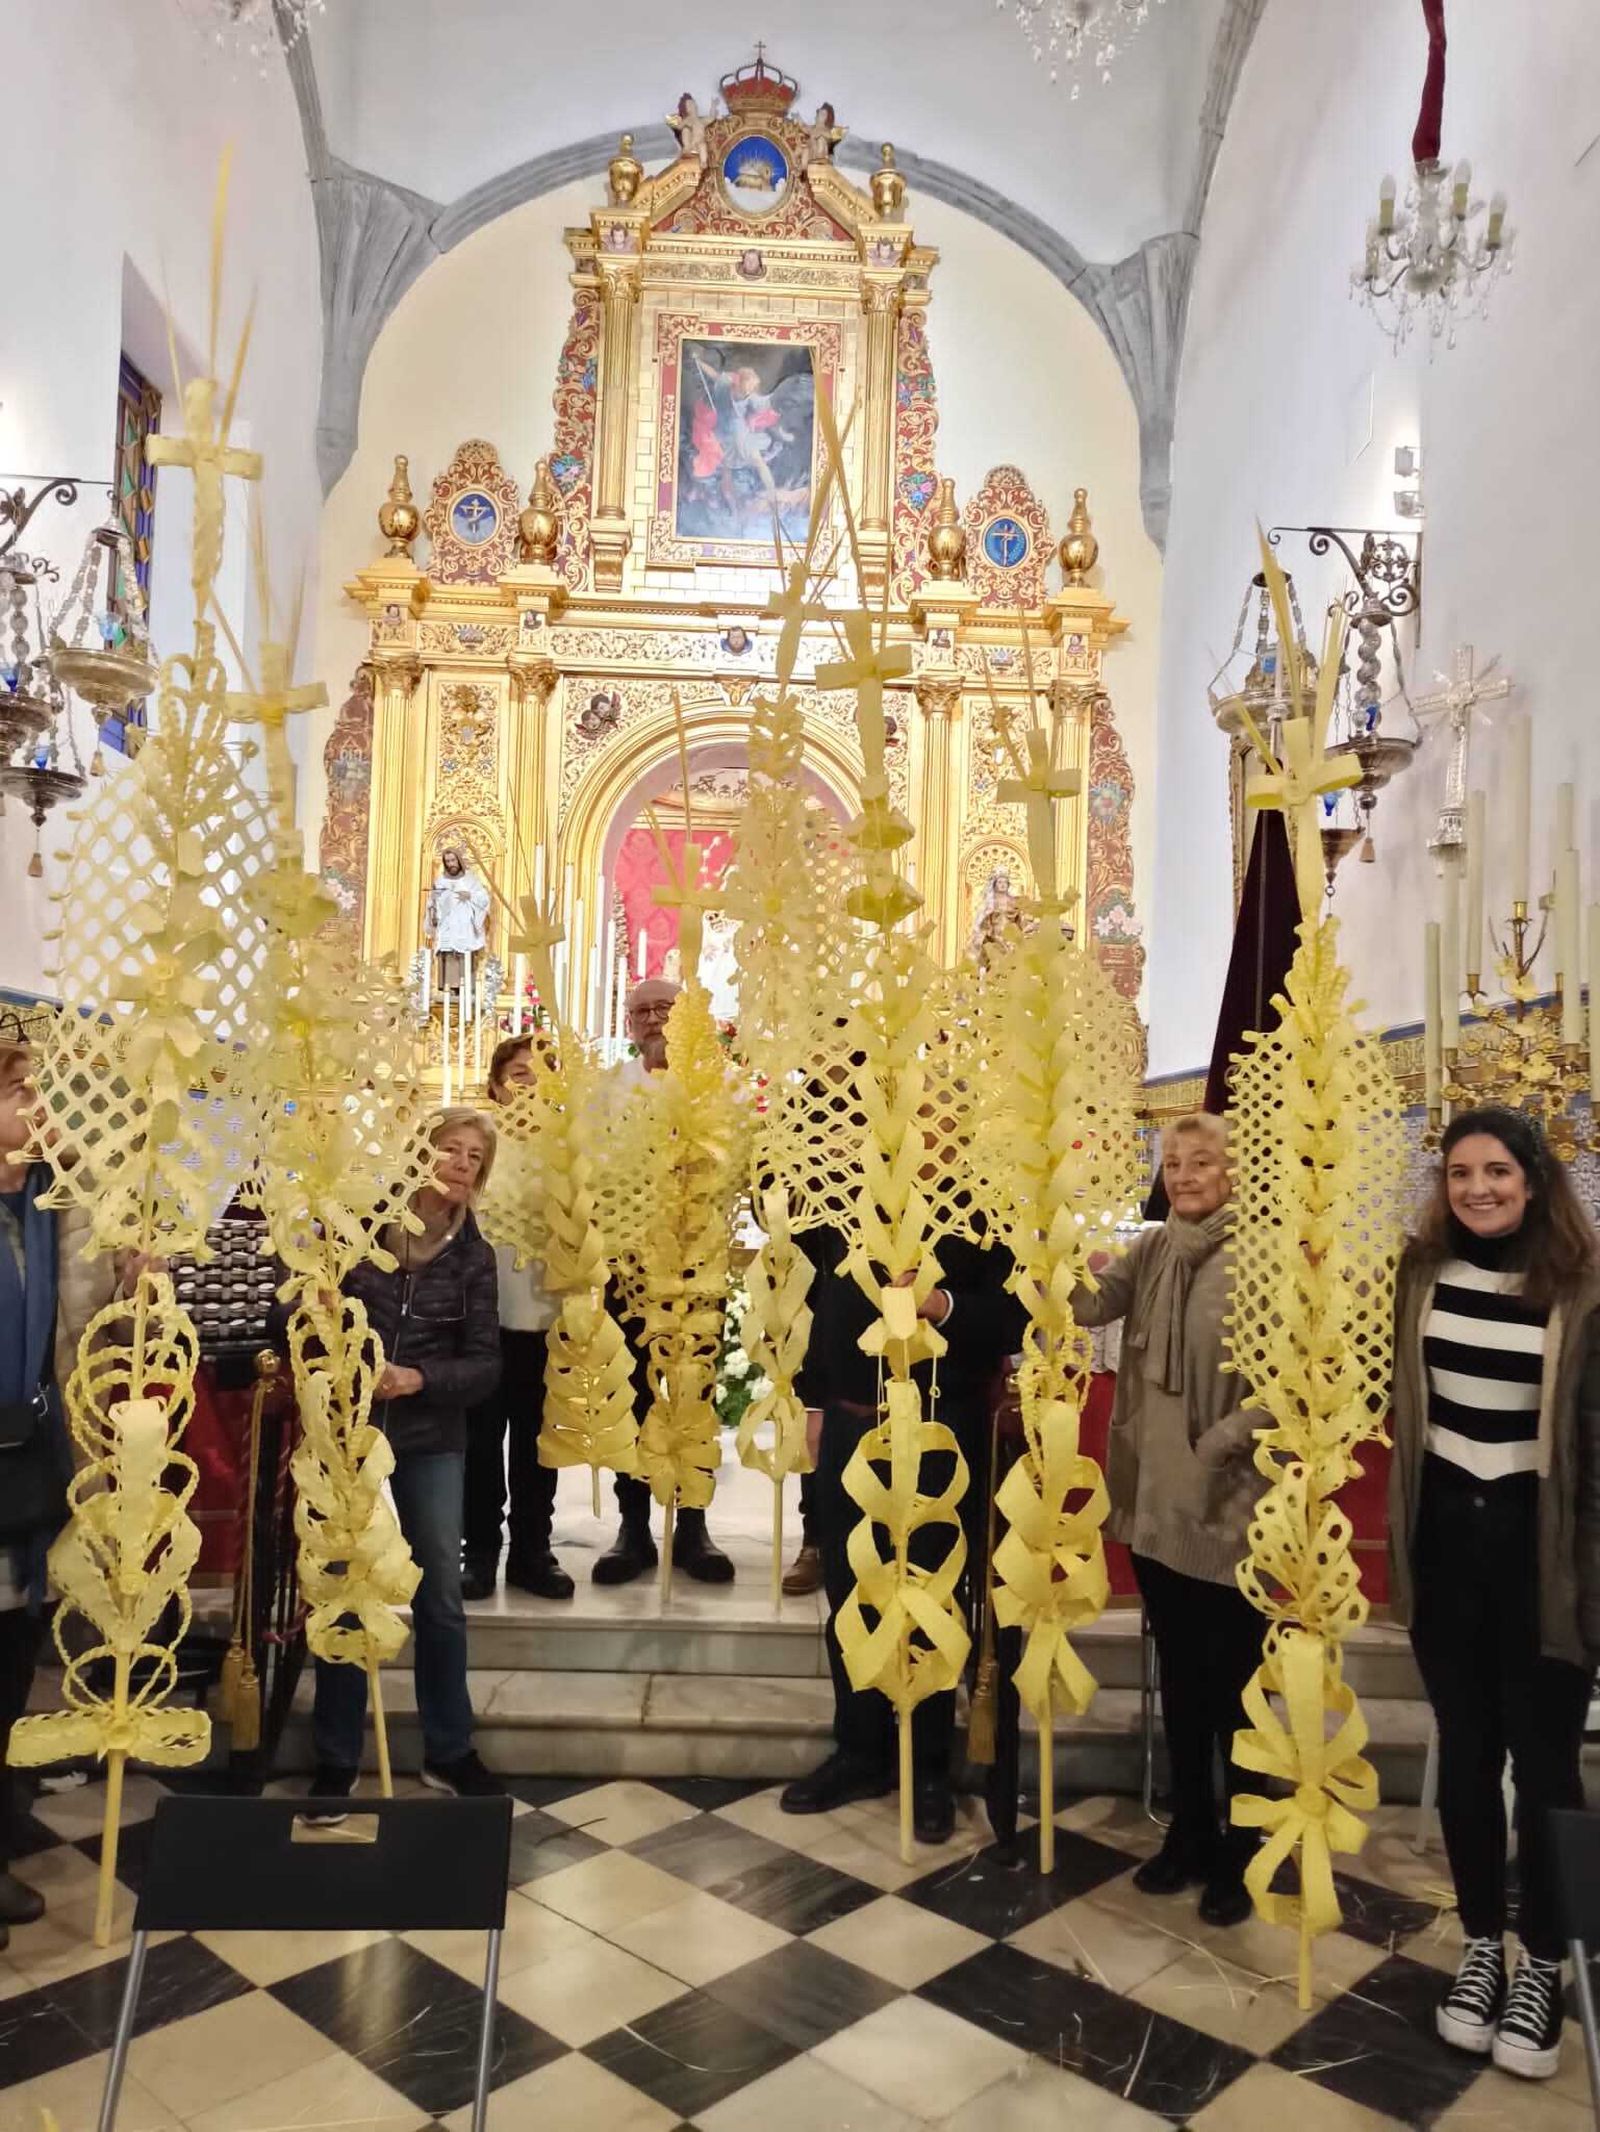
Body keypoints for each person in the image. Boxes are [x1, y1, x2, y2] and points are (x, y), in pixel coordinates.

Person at [1389, 1106, 1600, 2082]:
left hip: (1537, 1558)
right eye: (1460, 1171)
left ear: (1534, 1178)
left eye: (1497, 1171)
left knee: (1545, 1765)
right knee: (1468, 1756)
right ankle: (1481, 1942)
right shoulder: (1419, 1272)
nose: (1477, 1187)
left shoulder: (1582, 1288)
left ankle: (1544, 1964)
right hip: (1446, 1552)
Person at [1070, 1111, 1264, 1928]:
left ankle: (1241, 1844)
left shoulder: (1264, 1255)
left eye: (1202, 1161)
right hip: (1153, 1504)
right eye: (1174, 1163)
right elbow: (1086, 1307)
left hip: (1225, 1506)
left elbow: (1291, 1375)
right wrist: (1046, 1245)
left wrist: (1220, 1442)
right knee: (1181, 1679)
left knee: (1234, 1686)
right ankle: (1187, 1829)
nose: (1184, 1175)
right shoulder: (1151, 1249)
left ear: (1235, 1170)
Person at [782, 1218, 1025, 1844]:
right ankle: (860, 1748)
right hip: (850, 1423)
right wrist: (814, 1403)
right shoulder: (844, 1205)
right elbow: (821, 1302)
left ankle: (928, 1766)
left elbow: (1011, 1318)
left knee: (932, 1590)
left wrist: (940, 1304)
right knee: (850, 1588)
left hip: (943, 1427)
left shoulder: (981, 1212)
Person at [307, 1107, 505, 1808]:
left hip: (429, 1440)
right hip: (348, 1432)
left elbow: (485, 1365)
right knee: (346, 1589)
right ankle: (335, 1753)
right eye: (449, 1149)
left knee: (440, 1598)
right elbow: (300, 1311)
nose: (460, 1163)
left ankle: (449, 1749)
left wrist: (419, 1379)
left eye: (473, 1157)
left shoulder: (474, 1255)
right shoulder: (359, 1229)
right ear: (420, 1155)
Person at [0, 1030, 126, 1946]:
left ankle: (3, 1819)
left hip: (26, 1455)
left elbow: (84, 1310)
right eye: (19, 1091)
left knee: (12, 1652)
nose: (39, 1108)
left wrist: (133, 1264)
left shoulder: (42, 1200)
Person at [595, 977, 735, 1585]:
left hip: (698, 1263)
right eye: (642, 1011)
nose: (653, 1020)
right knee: (634, 1392)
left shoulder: (721, 1087)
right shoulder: (607, 1092)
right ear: (629, 1024)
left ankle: (694, 1525)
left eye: (664, 1009)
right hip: (631, 1270)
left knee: (693, 1392)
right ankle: (632, 1527)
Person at [461, 1035, 572, 1603]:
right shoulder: (475, 1144)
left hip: (548, 1321)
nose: (527, 1082)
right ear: (496, 1084)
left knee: (538, 1445)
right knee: (481, 1445)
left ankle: (534, 1551)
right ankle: (478, 1552)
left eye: (539, 1073)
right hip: (483, 1322)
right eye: (517, 1073)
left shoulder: (570, 1148)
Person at [425, 845, 489, 994]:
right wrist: (433, 903)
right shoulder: (440, 881)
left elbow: (484, 899)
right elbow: (433, 903)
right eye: (447, 861)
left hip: (464, 925)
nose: (451, 864)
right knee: (447, 953)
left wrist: (470, 896)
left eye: (453, 860)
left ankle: (466, 989)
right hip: (447, 925)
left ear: (459, 860)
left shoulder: (470, 879)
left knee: (464, 955)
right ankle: (449, 989)